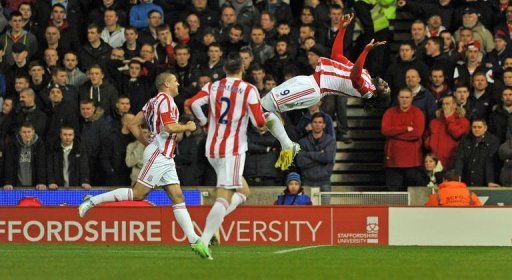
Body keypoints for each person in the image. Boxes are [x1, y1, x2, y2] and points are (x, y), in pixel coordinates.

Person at [79, 72, 202, 252]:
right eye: (175, 81)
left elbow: (132, 123)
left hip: (165, 155)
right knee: (138, 194)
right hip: (159, 154)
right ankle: (92, 201)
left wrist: (146, 143)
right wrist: (187, 126)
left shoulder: (152, 102)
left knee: (178, 197)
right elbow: (169, 127)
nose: (178, 84)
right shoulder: (166, 101)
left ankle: (194, 240)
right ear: (167, 84)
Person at [255, 14, 390, 170]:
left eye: (386, 89)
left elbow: (354, 75)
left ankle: (287, 144)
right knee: (266, 107)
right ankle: (287, 144)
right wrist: (342, 29)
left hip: (313, 89)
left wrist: (365, 51)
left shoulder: (368, 92)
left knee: (264, 106)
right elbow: (336, 56)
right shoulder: (366, 74)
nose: (386, 84)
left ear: (378, 96)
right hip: (309, 82)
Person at [190, 53, 266, 260]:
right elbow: (258, 122)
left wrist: (205, 123)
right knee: (224, 195)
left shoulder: (212, 86)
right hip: (232, 150)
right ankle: (203, 240)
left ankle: (216, 222)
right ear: (242, 69)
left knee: (243, 190)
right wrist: (264, 126)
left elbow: (193, 104)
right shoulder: (249, 90)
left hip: (212, 148)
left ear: (224, 69)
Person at [381, 88, 425, 191]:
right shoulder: (389, 112)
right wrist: (405, 129)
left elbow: (417, 134)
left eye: (407, 97)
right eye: (402, 97)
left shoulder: (418, 113)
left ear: (412, 98)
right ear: (398, 98)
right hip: (393, 161)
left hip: (413, 162)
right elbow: (385, 130)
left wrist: (394, 134)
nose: (404, 100)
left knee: (413, 195)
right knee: (394, 196)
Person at [296, 112, 336, 204]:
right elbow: (300, 161)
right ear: (311, 124)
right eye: (315, 122)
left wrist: (308, 154)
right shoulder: (303, 142)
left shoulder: (330, 141)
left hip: (324, 181)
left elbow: (328, 158)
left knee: (325, 212)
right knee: (306, 212)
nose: (317, 125)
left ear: (324, 125)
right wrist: (319, 156)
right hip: (307, 181)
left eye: (320, 122)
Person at [424, 95, 470, 170]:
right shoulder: (434, 121)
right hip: (435, 164)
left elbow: (457, 134)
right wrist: (429, 143)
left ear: (455, 105)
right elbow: (426, 136)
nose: (445, 106)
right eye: (443, 104)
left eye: (448, 104)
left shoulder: (463, 121)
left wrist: (449, 119)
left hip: (452, 163)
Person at [454, 119, 501, 187]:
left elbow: (490, 162)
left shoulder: (493, 141)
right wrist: (458, 177)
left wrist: (490, 181)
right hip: (466, 180)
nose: (476, 129)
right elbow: (459, 159)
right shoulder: (465, 139)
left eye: (479, 127)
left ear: (485, 128)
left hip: (484, 181)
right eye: (474, 127)